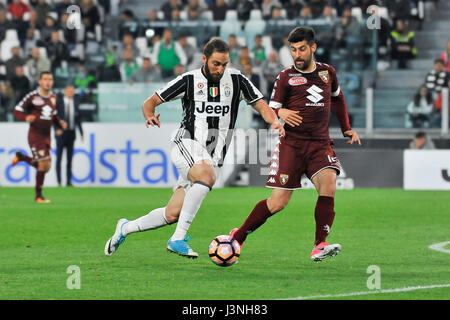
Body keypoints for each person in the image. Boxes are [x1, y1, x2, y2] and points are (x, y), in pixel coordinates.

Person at [104, 38, 285, 259]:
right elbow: (149, 102)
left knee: (172, 214)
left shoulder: (237, 80)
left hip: (211, 156)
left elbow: (260, 104)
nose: (220, 69)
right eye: (216, 63)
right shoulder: (189, 80)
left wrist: (274, 120)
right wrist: (149, 115)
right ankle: (178, 239)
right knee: (207, 176)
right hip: (186, 142)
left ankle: (125, 227)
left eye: (224, 64)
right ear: (204, 59)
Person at [228, 27, 361, 263]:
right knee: (278, 203)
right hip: (292, 145)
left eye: (301, 49)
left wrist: (346, 128)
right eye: (293, 50)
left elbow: (338, 99)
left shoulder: (327, 73)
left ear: (313, 48)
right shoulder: (285, 77)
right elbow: (270, 107)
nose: (297, 54)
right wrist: (282, 111)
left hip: (320, 144)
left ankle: (320, 244)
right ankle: (238, 237)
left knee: (329, 184)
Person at [12, 71, 67, 203]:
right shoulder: (32, 96)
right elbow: (17, 110)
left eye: (50, 79)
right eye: (45, 79)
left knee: (46, 166)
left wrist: (59, 123)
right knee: (42, 165)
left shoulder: (54, 98)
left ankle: (22, 157)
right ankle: (38, 196)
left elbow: (53, 115)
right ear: (40, 82)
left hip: (46, 136)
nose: (48, 81)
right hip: (35, 135)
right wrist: (25, 117)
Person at [55, 84, 84, 187]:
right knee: (59, 158)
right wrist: (57, 129)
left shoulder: (75, 103)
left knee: (69, 159)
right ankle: (59, 182)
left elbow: (78, 119)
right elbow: (54, 117)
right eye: (69, 91)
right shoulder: (59, 102)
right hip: (61, 134)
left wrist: (81, 132)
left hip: (71, 133)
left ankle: (68, 181)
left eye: (72, 91)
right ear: (65, 91)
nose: (71, 93)